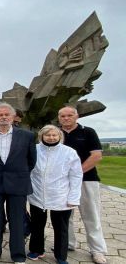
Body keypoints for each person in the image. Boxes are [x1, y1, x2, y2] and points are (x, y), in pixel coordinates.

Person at [0, 102, 36, 264]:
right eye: (0, 115)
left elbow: (31, 161)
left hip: (18, 183)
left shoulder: (27, 136)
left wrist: (17, 172)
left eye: (6, 115)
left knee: (17, 220)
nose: (3, 117)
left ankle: (18, 255)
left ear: (13, 117)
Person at [59, 106, 108, 264]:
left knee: (91, 215)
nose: (66, 118)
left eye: (69, 115)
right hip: (63, 181)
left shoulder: (88, 132)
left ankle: (97, 250)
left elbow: (96, 156)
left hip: (87, 180)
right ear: (59, 118)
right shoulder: (56, 134)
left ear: (77, 116)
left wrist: (77, 173)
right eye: (63, 116)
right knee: (66, 216)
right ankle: (68, 243)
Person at [27, 125, 83, 264]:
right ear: (41, 136)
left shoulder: (69, 152)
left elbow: (76, 176)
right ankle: (36, 249)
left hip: (61, 196)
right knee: (37, 225)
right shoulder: (34, 150)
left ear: (59, 136)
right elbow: (28, 171)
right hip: (37, 194)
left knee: (61, 228)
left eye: (54, 135)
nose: (51, 138)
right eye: (48, 135)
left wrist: (73, 198)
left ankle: (61, 256)